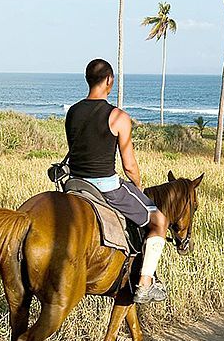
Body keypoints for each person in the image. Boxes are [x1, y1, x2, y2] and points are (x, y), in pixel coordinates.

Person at [65, 58, 169, 304]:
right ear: (109, 81)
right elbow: (129, 165)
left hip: (75, 184)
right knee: (159, 220)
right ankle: (145, 282)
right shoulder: (117, 117)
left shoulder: (72, 112)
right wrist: (138, 188)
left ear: (88, 80)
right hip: (105, 186)